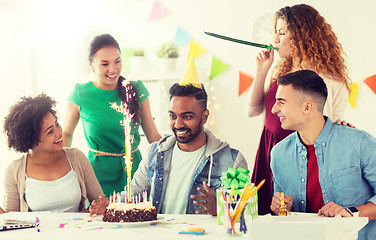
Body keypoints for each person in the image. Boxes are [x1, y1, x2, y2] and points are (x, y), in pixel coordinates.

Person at [247, 4, 351, 215]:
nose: (275, 39)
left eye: (282, 32)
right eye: (275, 32)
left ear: (302, 35)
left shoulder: (330, 80)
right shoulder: (281, 74)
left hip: (300, 157)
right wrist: (261, 71)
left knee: (296, 213)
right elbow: (253, 110)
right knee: (267, 216)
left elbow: (334, 126)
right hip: (270, 150)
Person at [90, 83, 248, 216]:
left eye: (187, 117)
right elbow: (135, 192)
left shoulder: (233, 160)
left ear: (204, 117)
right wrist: (111, 204)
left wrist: (220, 208)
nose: (178, 124)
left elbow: (246, 212)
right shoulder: (155, 152)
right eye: (173, 116)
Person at [270, 70, 376, 239]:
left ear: (307, 107)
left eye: (281, 102)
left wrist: (350, 212)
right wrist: (283, 206)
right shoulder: (278, 153)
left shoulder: (360, 143)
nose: (274, 109)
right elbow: (281, 208)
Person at [63, 34, 162, 196]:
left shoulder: (136, 89)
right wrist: (65, 170)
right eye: (104, 64)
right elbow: (66, 133)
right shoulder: (80, 94)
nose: (113, 69)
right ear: (91, 65)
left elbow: (153, 136)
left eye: (117, 61)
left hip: (135, 172)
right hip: (96, 176)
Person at [3, 93, 103, 212]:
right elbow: (10, 218)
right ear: (31, 140)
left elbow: (99, 201)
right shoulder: (14, 170)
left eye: (57, 124)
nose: (59, 132)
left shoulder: (76, 157)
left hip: (77, 230)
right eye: (50, 132)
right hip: (37, 231)